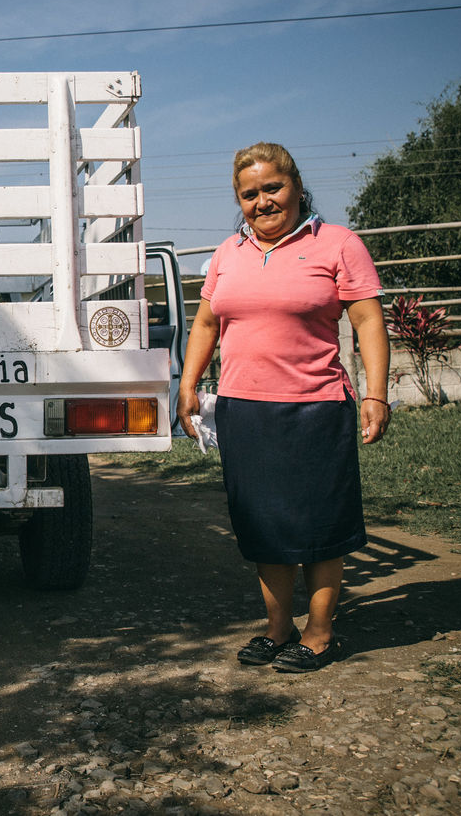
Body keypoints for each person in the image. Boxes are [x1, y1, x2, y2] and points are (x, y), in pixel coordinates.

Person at [178, 142, 391, 673]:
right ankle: (279, 629)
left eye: (272, 188)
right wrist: (188, 383)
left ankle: (319, 634)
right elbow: (206, 323)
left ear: (296, 186)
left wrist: (376, 393)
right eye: (249, 194)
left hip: (315, 408)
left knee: (320, 523)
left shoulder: (337, 244)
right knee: (262, 526)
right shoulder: (228, 253)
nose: (262, 202)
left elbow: (368, 320)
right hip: (244, 411)